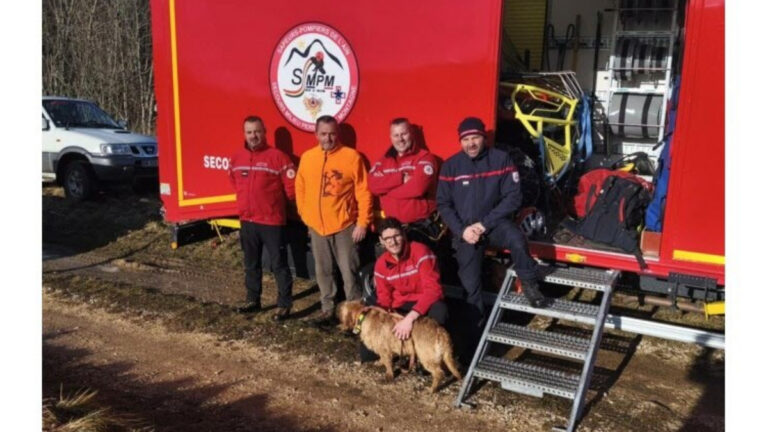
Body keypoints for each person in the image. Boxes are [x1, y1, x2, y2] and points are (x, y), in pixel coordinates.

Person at [437, 116, 548, 331]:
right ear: (460, 142)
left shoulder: (501, 159)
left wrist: (485, 224)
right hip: (466, 230)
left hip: (495, 223)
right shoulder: (451, 166)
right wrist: (462, 230)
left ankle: (529, 284)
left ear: (483, 137)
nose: (471, 143)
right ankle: (475, 331)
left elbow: (513, 197)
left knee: (517, 239)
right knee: (470, 284)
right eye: (466, 139)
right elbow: (443, 204)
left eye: (475, 137)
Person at [295, 115, 373, 324]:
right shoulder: (308, 158)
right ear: (316, 134)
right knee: (323, 271)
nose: (328, 138)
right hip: (317, 227)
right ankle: (327, 310)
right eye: (323, 134)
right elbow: (300, 187)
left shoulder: (351, 157)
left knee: (349, 271)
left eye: (331, 134)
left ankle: (356, 315)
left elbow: (364, 192)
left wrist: (362, 222)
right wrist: (305, 214)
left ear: (337, 134)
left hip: (344, 226)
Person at [229, 116, 295, 321]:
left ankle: (284, 304)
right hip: (247, 220)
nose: (253, 136)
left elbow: (291, 190)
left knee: (278, 265)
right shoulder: (237, 157)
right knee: (251, 263)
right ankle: (253, 300)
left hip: (272, 221)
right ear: (244, 134)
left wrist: (275, 205)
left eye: (257, 131)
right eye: (249, 132)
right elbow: (233, 180)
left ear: (264, 132)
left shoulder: (278, 157)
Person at [359, 217, 447, 363]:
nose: (392, 242)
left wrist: (410, 318)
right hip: (400, 305)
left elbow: (433, 290)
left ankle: (427, 354)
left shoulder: (420, 251)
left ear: (403, 235)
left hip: (424, 302)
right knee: (367, 355)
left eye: (396, 236)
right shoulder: (381, 264)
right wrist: (384, 315)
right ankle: (400, 349)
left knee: (440, 310)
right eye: (387, 239)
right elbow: (384, 297)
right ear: (381, 241)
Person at [368, 118, 440, 248]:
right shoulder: (382, 162)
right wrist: (400, 178)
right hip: (394, 231)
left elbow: (418, 188)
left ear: (411, 133)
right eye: (396, 135)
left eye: (404, 134)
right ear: (391, 137)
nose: (400, 139)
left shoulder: (425, 158)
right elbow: (372, 186)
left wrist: (386, 192)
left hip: (421, 229)